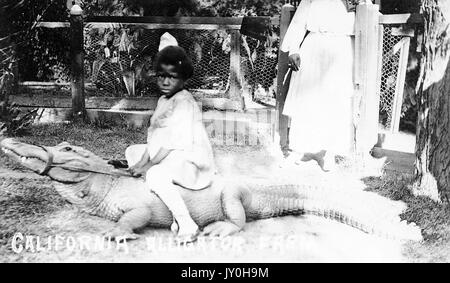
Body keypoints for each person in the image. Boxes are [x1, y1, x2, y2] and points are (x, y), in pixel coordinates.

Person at [126, 35, 216, 242]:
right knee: (132, 151)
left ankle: (185, 222)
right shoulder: (163, 99)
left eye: (172, 76)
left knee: (155, 174)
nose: (165, 81)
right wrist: (140, 163)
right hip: (170, 154)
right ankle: (168, 203)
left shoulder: (184, 101)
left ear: (183, 78)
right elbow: (154, 136)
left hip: (189, 158)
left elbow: (174, 142)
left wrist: (147, 167)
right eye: (160, 76)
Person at [280, 0, 360, 171]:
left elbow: (366, 17)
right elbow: (300, 20)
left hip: (342, 48)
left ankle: (328, 153)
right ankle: (299, 150)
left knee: (335, 100)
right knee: (308, 98)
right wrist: (294, 48)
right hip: (314, 46)